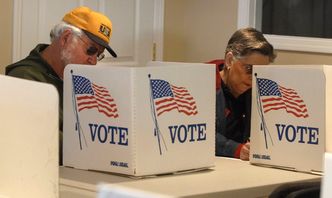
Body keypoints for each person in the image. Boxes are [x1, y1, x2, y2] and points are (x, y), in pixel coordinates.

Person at [5, 6, 117, 165]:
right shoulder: (24, 78)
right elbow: (43, 141)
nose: (94, 60)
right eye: (90, 50)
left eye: (98, 54)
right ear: (65, 38)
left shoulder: (79, 78)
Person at [215, 27, 276, 161]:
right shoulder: (204, 84)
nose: (254, 77)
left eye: (260, 72)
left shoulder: (259, 90)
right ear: (229, 60)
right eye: (249, 69)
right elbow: (198, 134)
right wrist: (236, 149)